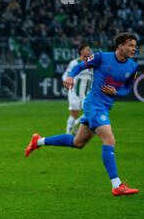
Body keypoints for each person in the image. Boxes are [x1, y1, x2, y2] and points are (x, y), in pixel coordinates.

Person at [25, 32, 139, 197]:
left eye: (135, 46)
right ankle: (117, 185)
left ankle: (39, 141)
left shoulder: (132, 66)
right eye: (130, 45)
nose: (133, 49)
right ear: (120, 45)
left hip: (105, 106)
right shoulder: (101, 57)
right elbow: (80, 66)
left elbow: (128, 88)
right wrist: (71, 76)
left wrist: (117, 92)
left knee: (78, 142)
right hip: (94, 105)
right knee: (109, 140)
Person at [62, 43, 93, 134]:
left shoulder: (92, 64)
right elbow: (66, 75)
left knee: (90, 112)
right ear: (81, 51)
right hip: (74, 93)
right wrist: (66, 82)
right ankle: (68, 132)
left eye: (89, 49)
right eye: (87, 49)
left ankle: (75, 124)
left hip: (87, 93)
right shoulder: (74, 63)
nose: (89, 51)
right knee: (74, 113)